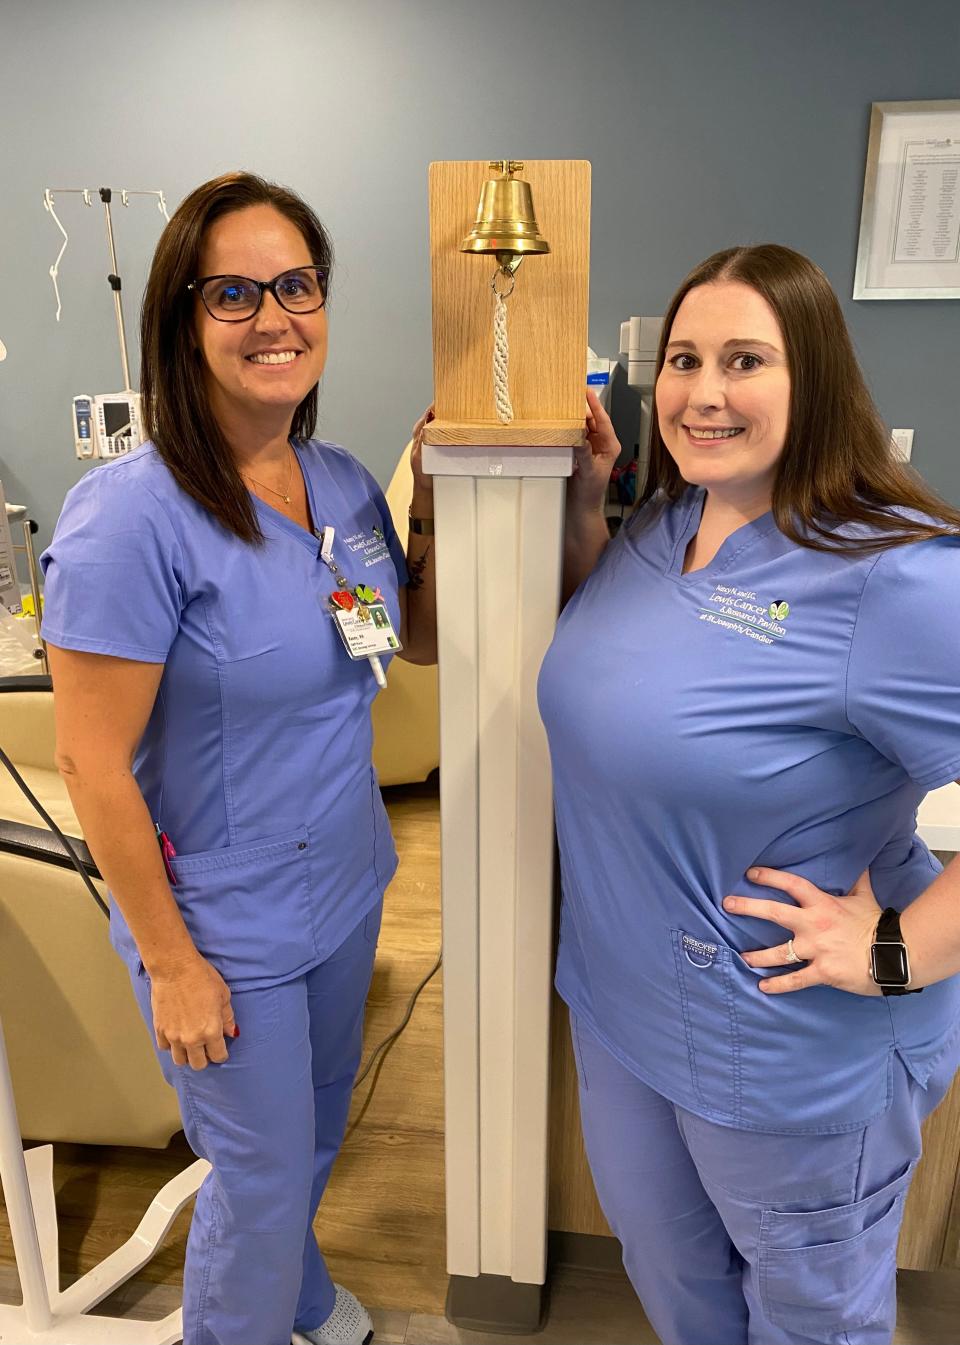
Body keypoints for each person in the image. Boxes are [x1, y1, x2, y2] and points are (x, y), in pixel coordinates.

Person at [40, 172, 437, 1345]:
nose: (275, 316)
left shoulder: (344, 484)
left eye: (297, 285)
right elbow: (91, 760)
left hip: (345, 883)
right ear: (182, 318)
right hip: (221, 918)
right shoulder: (131, 517)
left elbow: (399, 644)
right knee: (258, 1180)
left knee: (315, 1131)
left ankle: (302, 1297)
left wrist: (453, 499)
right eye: (234, 292)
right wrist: (170, 962)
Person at [538, 244, 960, 1345]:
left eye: (744, 360)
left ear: (813, 378)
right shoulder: (663, 526)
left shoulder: (894, 576)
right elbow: (625, 679)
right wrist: (586, 503)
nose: (703, 391)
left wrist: (898, 949)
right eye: (683, 359)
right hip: (621, 1008)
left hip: (782, 1046)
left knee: (806, 1322)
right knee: (678, 1287)